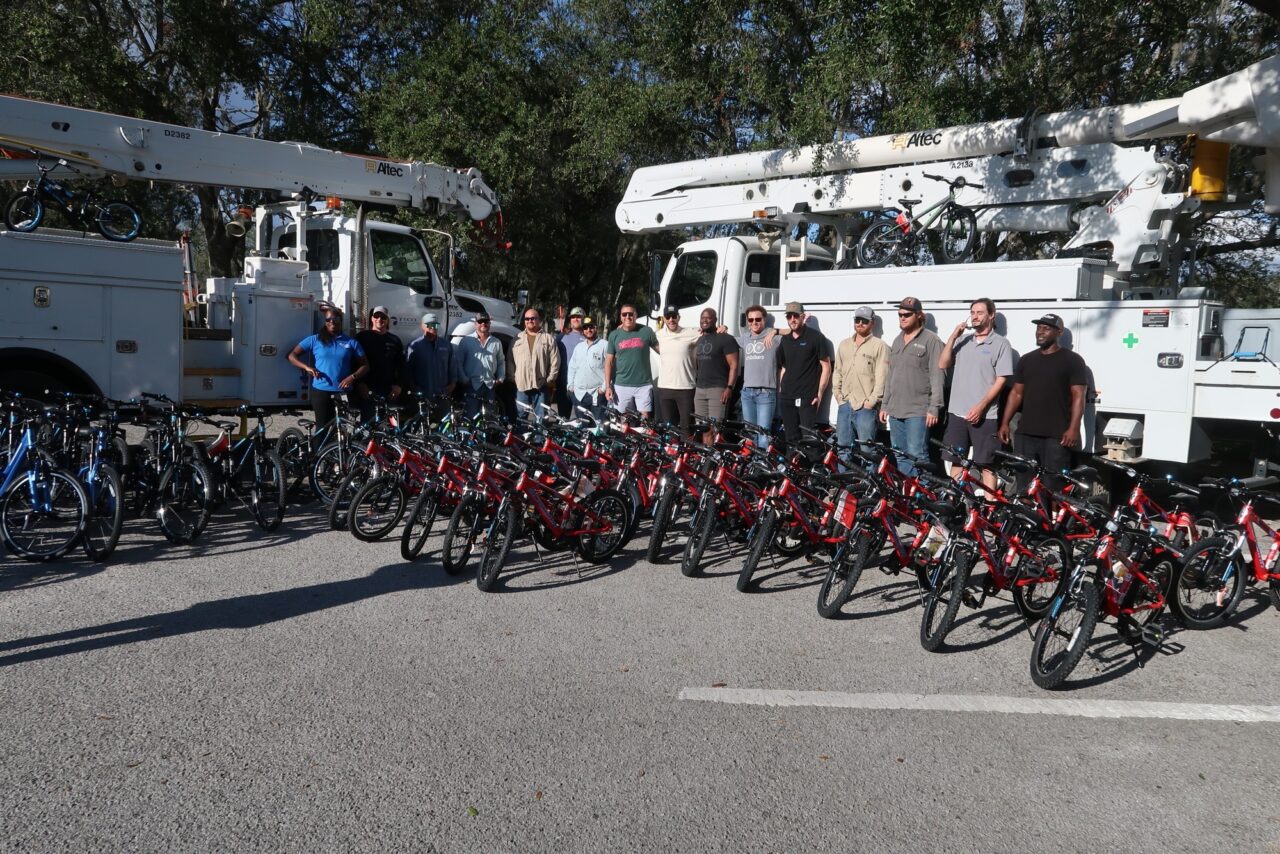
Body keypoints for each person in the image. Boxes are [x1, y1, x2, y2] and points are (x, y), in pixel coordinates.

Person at [998, 313, 1088, 488]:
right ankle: (1029, 515)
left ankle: (1052, 516)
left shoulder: (1073, 361)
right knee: (1024, 485)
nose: (1040, 332)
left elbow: (1079, 396)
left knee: (1053, 486)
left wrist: (1073, 428)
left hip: (1056, 437)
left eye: (1046, 328)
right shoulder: (1027, 360)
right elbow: (1016, 394)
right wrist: (1005, 423)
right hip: (1026, 434)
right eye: (1039, 328)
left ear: (1059, 332)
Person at [938, 298, 1013, 493]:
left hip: (985, 416)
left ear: (991, 315)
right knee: (956, 463)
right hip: (957, 413)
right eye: (972, 312)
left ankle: (988, 512)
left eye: (980, 312)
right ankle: (959, 504)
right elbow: (943, 363)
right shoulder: (963, 340)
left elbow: (1001, 379)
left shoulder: (1001, 343)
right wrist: (954, 336)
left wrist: (981, 406)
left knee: (986, 465)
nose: (975, 316)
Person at [880, 296, 945, 476]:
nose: (902, 318)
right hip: (895, 410)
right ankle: (907, 496)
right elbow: (890, 376)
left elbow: (937, 375)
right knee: (900, 455)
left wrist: (934, 407)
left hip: (918, 410)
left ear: (918, 315)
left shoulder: (931, 340)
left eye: (907, 314)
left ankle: (922, 499)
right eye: (900, 314)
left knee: (919, 456)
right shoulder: (897, 340)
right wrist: (885, 405)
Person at [288, 307, 368, 428]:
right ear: (325, 322)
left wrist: (352, 377)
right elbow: (292, 356)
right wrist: (307, 367)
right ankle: (319, 447)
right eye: (328, 319)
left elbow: (365, 365)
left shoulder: (351, 342)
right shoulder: (315, 339)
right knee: (322, 426)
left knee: (342, 427)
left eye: (335, 319)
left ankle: (338, 447)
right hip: (321, 391)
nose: (331, 321)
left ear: (340, 320)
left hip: (343, 392)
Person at [776, 302, 832, 446]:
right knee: (790, 438)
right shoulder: (785, 340)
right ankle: (792, 467)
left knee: (809, 438)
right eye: (789, 316)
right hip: (787, 397)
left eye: (795, 316)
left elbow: (826, 366)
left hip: (807, 397)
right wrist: (782, 391)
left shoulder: (816, 337)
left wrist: (819, 394)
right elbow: (784, 367)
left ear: (803, 317)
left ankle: (812, 467)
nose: (792, 319)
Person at [833, 305, 887, 448]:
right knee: (843, 449)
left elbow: (882, 377)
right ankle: (843, 472)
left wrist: (871, 402)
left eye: (864, 321)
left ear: (872, 323)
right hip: (845, 404)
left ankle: (870, 472)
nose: (860, 324)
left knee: (868, 451)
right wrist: (838, 396)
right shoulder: (844, 344)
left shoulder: (879, 346)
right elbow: (837, 371)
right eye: (857, 320)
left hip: (866, 408)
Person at [604, 303, 660, 420]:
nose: (628, 317)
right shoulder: (614, 335)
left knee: (645, 420)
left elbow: (662, 350)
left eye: (631, 314)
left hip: (643, 385)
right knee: (623, 420)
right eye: (625, 314)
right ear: (620, 317)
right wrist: (608, 386)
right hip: (621, 385)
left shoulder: (646, 331)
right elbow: (609, 362)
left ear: (636, 315)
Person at [693, 307, 740, 441]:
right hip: (700, 390)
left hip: (718, 389)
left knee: (716, 429)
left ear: (715, 320)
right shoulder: (700, 340)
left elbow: (734, 365)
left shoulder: (726, 339)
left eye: (708, 317)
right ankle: (708, 460)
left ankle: (719, 460)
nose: (705, 320)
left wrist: (729, 387)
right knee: (704, 429)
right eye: (702, 318)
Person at [354, 305, 405, 420]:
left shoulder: (395, 340)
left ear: (387, 320)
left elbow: (401, 366)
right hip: (368, 390)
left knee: (392, 428)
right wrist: (360, 384)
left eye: (383, 317)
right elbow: (354, 363)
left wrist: (399, 386)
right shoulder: (361, 337)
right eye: (376, 316)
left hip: (390, 391)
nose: (379, 320)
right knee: (369, 427)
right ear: (372, 319)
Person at [738, 304, 779, 447]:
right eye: (750, 320)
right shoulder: (745, 337)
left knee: (764, 435)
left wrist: (776, 331)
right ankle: (754, 465)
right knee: (751, 433)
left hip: (765, 393)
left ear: (764, 319)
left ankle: (762, 467)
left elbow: (793, 333)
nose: (754, 323)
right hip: (747, 392)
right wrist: (723, 328)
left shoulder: (772, 336)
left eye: (758, 319)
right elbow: (729, 340)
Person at [654, 305, 700, 434]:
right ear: (664, 318)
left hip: (685, 388)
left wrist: (722, 328)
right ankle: (672, 454)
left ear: (679, 318)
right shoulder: (658, 335)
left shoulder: (691, 332)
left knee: (686, 427)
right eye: (668, 317)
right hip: (665, 388)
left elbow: (708, 330)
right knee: (669, 428)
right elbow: (641, 337)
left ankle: (686, 453)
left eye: (674, 317)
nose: (671, 320)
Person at [510, 307, 560, 421]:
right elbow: (510, 360)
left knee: (541, 417)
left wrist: (550, 378)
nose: (530, 321)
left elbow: (555, 361)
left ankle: (539, 439)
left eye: (533, 318)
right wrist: (513, 378)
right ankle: (522, 438)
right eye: (527, 319)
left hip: (541, 385)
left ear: (538, 320)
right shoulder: (517, 339)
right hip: (521, 385)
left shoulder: (548, 339)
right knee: (520, 417)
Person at [455, 311, 506, 418]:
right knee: (470, 417)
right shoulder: (466, 340)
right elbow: (458, 362)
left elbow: (501, 362)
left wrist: (500, 378)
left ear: (489, 323)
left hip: (489, 386)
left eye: (486, 321)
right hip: (471, 386)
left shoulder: (496, 342)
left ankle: (487, 435)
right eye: (480, 321)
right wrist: (464, 380)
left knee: (489, 418)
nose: (483, 324)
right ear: (475, 323)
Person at [405, 312, 455, 420]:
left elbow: (452, 367)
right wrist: (414, 388)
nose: (433, 328)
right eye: (429, 325)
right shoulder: (414, 346)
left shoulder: (446, 345)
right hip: (422, 396)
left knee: (444, 428)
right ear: (422, 326)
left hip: (442, 395)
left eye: (435, 325)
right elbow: (408, 371)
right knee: (422, 427)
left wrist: (452, 385)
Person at [566, 316, 608, 420]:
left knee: (599, 428)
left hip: (597, 395)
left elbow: (611, 367)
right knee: (583, 428)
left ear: (596, 328)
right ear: (583, 330)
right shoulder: (579, 347)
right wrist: (570, 386)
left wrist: (603, 388)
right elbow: (572, 368)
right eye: (585, 328)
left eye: (591, 327)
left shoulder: (604, 345)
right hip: (579, 395)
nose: (588, 330)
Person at [555, 306, 587, 417]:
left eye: (579, 317)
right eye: (573, 317)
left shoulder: (589, 336)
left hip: (582, 384)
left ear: (583, 319)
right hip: (564, 382)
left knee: (583, 417)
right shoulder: (561, 337)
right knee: (563, 417)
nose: (576, 319)